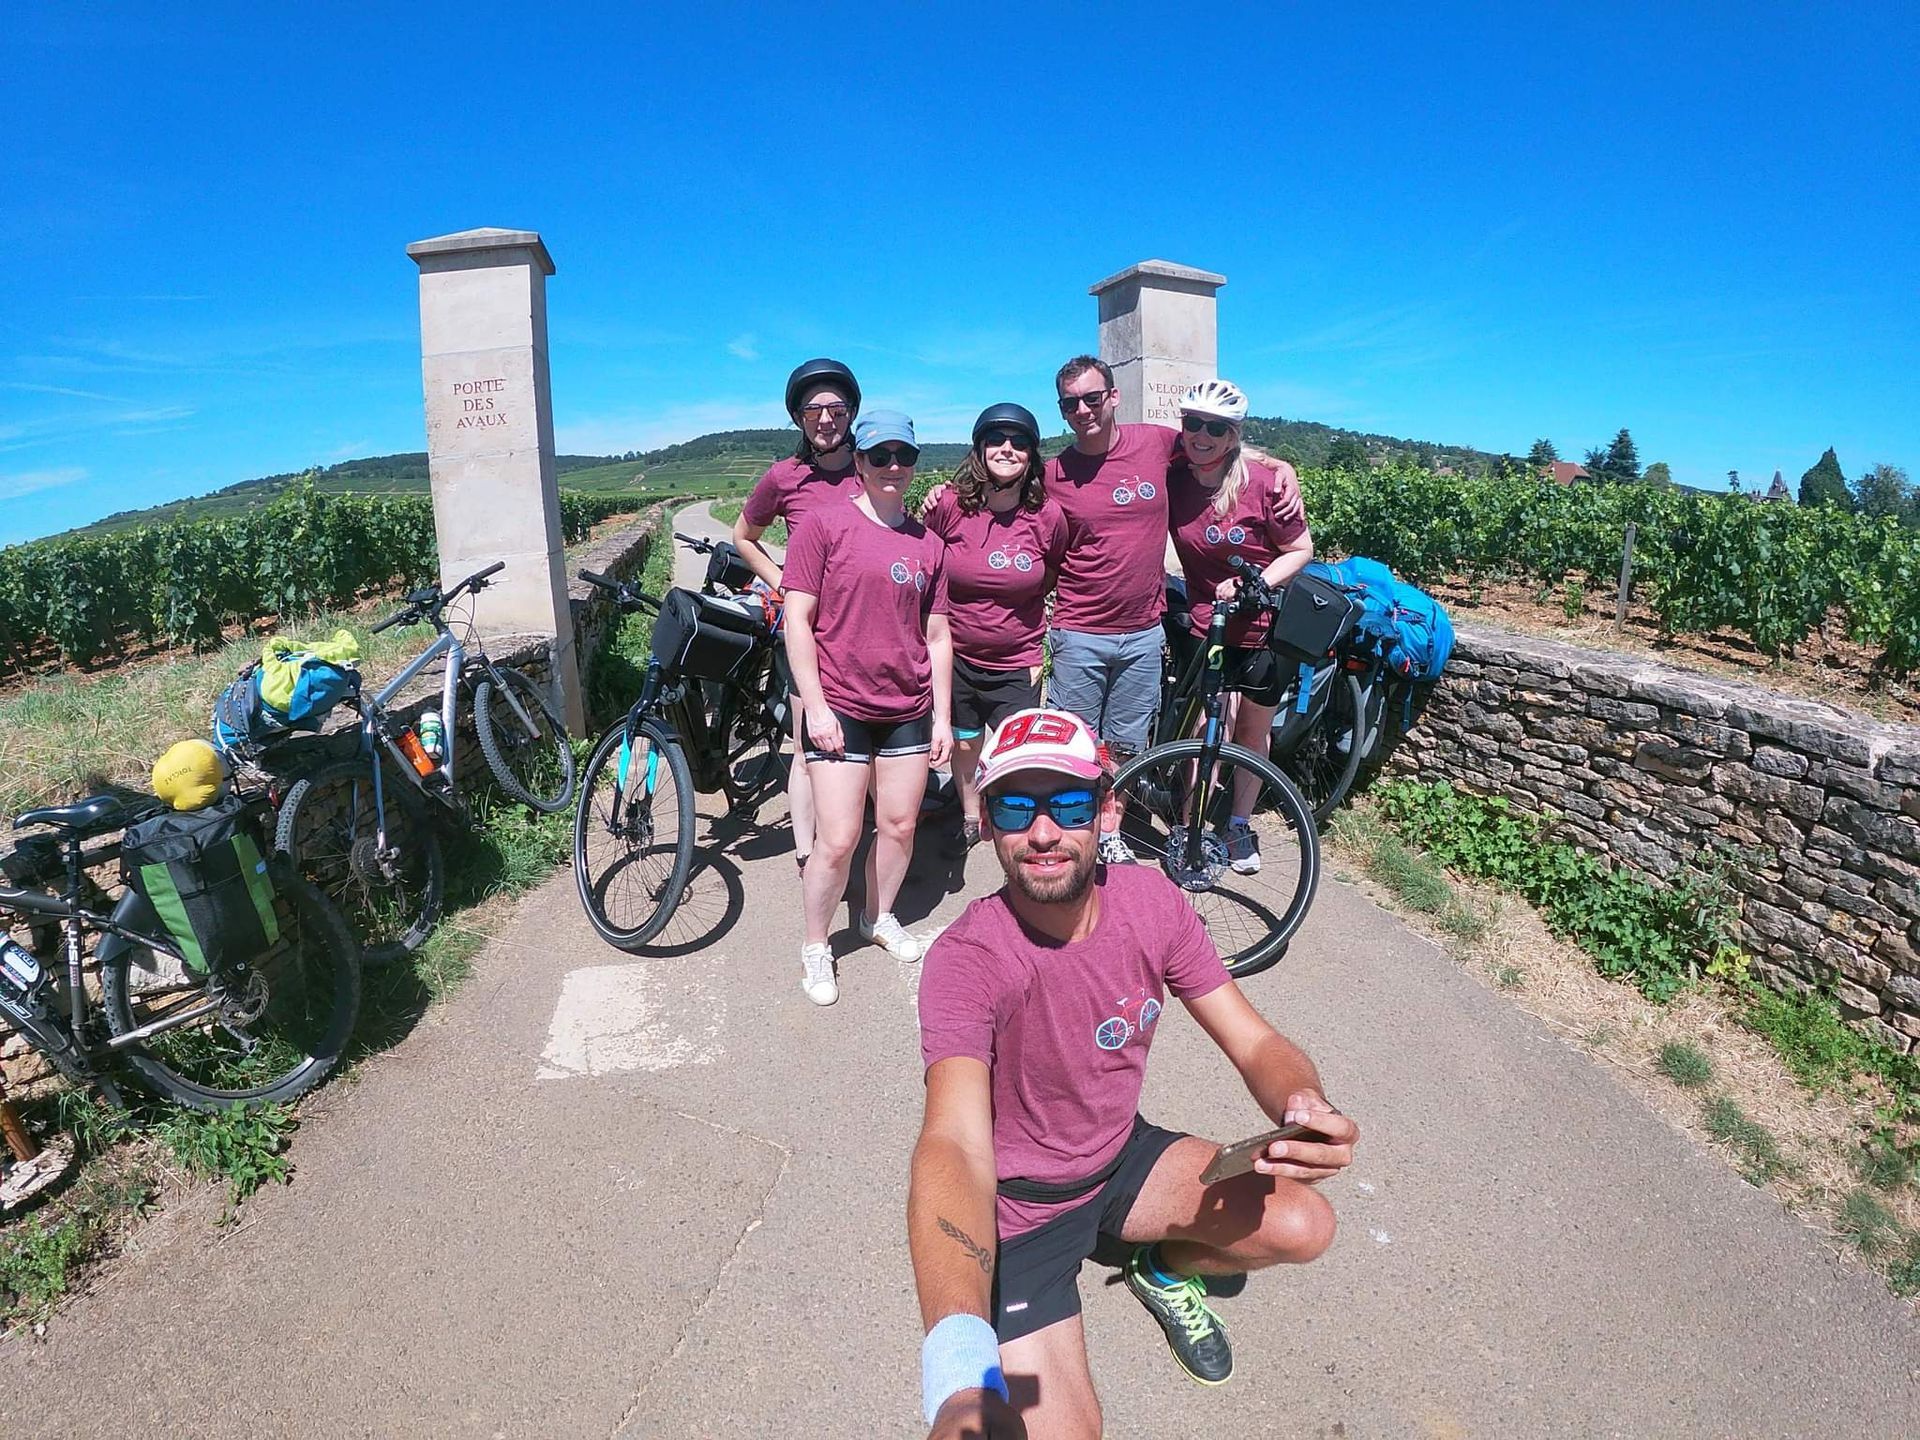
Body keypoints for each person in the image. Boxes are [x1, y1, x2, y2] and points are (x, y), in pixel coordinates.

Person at [909, 708, 1358, 1440]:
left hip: (1121, 1159)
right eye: (1015, 805)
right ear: (986, 819)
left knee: (1305, 1223)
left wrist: (1302, 1102)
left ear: (1107, 807)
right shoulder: (968, 959)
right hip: (1022, 1212)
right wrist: (960, 1379)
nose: (1044, 832)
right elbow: (954, 1142)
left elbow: (1253, 1042)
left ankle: (1163, 1266)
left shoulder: (1152, 903)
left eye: (1071, 803)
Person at [781, 410, 954, 1005]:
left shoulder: (928, 544)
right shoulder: (823, 527)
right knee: (838, 837)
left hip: (906, 703)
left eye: (903, 456)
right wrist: (817, 707)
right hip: (841, 704)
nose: (892, 467)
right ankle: (815, 944)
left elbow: (936, 637)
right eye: (879, 456)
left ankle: (876, 918)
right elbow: (797, 622)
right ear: (858, 462)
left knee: (901, 824)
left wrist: (941, 716)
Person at [1163, 378, 1314, 874]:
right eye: (1193, 423)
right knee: (1205, 724)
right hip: (1208, 625)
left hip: (1263, 626)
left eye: (1215, 427)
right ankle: (1191, 822)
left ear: (1233, 434)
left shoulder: (1264, 483)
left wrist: (1258, 584)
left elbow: (1300, 549)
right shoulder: (1175, 474)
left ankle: (1238, 824)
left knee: (1253, 728)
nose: (1201, 435)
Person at [1041, 357, 1181, 866]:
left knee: (1123, 744)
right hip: (1079, 629)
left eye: (1092, 398)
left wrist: (1273, 464)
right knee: (1077, 742)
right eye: (1070, 403)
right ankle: (1075, 830)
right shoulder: (1053, 473)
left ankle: (1111, 828)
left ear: (1113, 397)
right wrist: (941, 499)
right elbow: (995, 493)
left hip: (1144, 630)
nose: (1082, 410)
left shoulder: (1156, 443)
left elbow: (1218, 448)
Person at [732, 358, 866, 876]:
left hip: (866, 624)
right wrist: (782, 584)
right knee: (808, 741)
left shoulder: (873, 464)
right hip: (807, 626)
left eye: (836, 408)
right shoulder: (784, 477)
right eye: (813, 409)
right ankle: (808, 851)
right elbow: (744, 535)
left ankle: (854, 829)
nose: (826, 418)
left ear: (852, 412)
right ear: (798, 419)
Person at [920, 403, 1068, 848]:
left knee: (1014, 748)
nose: (1007, 449)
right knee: (965, 743)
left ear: (1031, 455)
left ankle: (1010, 819)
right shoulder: (948, 505)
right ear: (979, 449)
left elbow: (1053, 573)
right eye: (997, 441)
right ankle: (970, 816)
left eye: (1019, 443)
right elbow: (923, 561)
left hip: (1016, 659)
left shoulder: (1047, 517)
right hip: (958, 655)